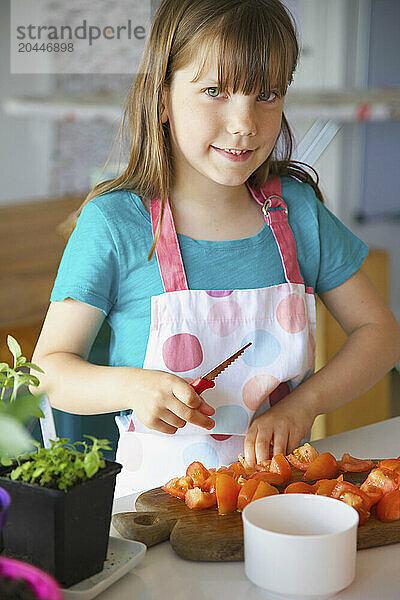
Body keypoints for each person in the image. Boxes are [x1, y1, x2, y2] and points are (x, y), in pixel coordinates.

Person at [31, 0, 400, 497]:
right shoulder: (114, 223)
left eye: (266, 94)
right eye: (214, 92)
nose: (244, 122)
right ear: (161, 99)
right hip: (151, 515)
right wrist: (133, 387)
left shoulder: (298, 213)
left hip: (279, 503)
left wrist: (304, 404)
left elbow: (380, 333)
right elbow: (48, 370)